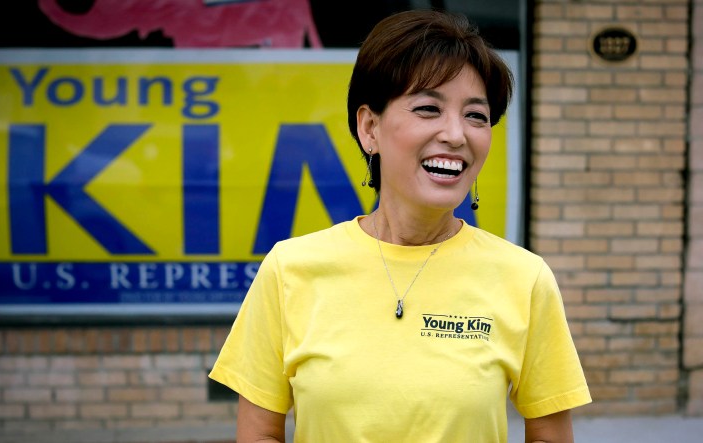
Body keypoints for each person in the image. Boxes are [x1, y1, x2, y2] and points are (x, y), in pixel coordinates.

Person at [209, 8, 591, 443]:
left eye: (476, 116)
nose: (456, 134)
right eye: (429, 108)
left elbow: (549, 436)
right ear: (369, 127)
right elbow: (259, 435)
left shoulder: (524, 278)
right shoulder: (289, 268)